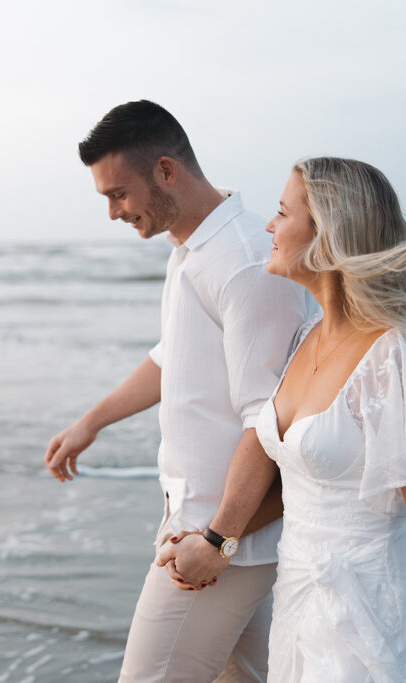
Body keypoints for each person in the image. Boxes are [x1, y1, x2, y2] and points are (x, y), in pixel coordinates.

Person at [158, 157, 406, 682]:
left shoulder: (396, 358)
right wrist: (212, 537)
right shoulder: (305, 339)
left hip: (369, 622)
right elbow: (298, 484)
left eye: (283, 212)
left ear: (328, 238)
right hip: (296, 609)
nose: (269, 224)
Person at [43, 100, 313, 682]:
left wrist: (216, 541)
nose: (114, 212)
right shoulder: (191, 249)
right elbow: (175, 358)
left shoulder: (243, 263)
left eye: (118, 194)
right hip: (207, 531)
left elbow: (268, 423)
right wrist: (93, 421)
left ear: (167, 170)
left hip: (218, 540)